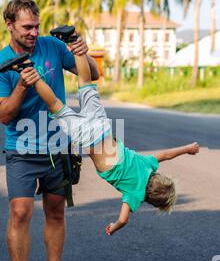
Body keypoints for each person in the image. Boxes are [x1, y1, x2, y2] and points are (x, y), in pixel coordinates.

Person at [31, 27, 200, 236]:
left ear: (158, 176)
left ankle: (73, 40)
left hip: (102, 126)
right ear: (149, 200)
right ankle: (28, 71)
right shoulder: (134, 194)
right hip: (88, 137)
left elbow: (166, 154)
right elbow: (123, 218)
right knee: (56, 105)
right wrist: (115, 226)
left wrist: (188, 148)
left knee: (85, 82)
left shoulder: (148, 165)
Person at [0, 0, 99, 261]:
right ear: (9, 25)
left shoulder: (51, 46)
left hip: (59, 146)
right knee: (21, 212)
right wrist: (22, 86)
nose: (34, 32)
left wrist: (82, 53)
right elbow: (4, 116)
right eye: (26, 27)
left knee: (56, 212)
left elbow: (93, 75)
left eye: (36, 26)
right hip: (21, 150)